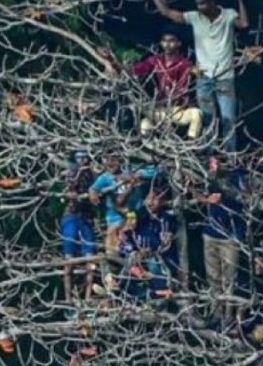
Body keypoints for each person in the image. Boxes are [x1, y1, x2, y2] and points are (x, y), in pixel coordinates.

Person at [148, 0, 249, 153]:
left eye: (203, 3)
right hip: (204, 79)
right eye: (198, 4)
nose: (200, 7)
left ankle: (230, 158)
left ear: (212, 1)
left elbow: (244, 24)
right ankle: (210, 157)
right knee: (207, 119)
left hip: (225, 78)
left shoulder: (228, 15)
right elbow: (167, 12)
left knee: (228, 120)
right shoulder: (195, 17)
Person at [103, 30, 202, 139]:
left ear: (179, 43)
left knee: (196, 114)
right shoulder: (155, 61)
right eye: (164, 41)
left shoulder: (185, 64)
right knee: (144, 126)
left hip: (177, 110)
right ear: (161, 43)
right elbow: (130, 71)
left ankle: (191, 145)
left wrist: (196, 72)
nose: (167, 44)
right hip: (159, 109)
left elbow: (194, 76)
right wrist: (112, 61)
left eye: (172, 41)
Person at [200, 161, 247, 328]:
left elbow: (244, 199)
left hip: (230, 236)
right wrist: (207, 199)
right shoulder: (211, 178)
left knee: (230, 279)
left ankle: (229, 316)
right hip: (210, 234)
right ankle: (216, 313)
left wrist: (224, 197)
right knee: (213, 278)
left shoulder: (238, 177)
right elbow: (198, 195)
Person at [61, 151, 98, 302]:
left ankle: (88, 297)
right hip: (72, 216)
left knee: (91, 260)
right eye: (79, 157)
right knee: (68, 260)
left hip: (87, 218)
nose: (82, 160)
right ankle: (68, 298)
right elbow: (68, 191)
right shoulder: (72, 172)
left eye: (85, 157)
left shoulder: (93, 173)